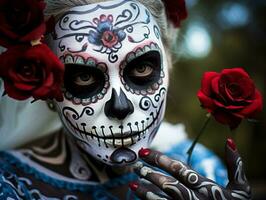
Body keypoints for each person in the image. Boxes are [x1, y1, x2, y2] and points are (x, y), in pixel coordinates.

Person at [0, 0, 251, 199]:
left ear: (169, 63)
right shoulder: (10, 185)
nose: (120, 106)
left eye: (141, 68)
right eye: (85, 76)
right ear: (47, 87)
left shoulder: (203, 170)